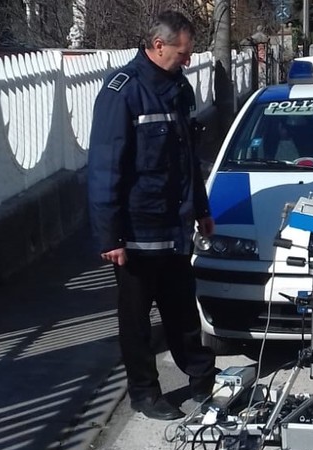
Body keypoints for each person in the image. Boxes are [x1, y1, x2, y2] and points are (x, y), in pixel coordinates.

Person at [87, 10, 216, 421]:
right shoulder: (121, 91)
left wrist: (202, 211)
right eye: (182, 52)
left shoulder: (178, 88)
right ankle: (144, 393)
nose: (188, 60)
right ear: (158, 46)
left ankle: (202, 381)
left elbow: (186, 162)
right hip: (136, 234)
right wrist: (110, 238)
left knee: (182, 310)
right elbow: (105, 170)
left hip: (175, 227)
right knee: (137, 322)